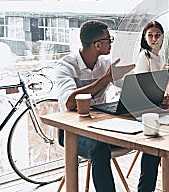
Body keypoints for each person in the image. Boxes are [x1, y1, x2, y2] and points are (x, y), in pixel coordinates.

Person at [55, 20, 135, 192]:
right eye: (109, 39)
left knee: (149, 134)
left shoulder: (106, 64)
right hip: (72, 132)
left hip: (102, 126)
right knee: (99, 148)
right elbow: (70, 102)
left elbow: (128, 86)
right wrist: (106, 79)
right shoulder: (66, 66)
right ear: (98, 45)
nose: (111, 43)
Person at [135, 20, 169, 192]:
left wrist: (163, 97)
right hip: (142, 110)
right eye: (150, 35)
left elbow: (158, 86)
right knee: (158, 144)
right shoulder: (144, 57)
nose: (154, 38)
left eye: (157, 35)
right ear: (144, 38)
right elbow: (141, 87)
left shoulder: (160, 57)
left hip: (156, 107)